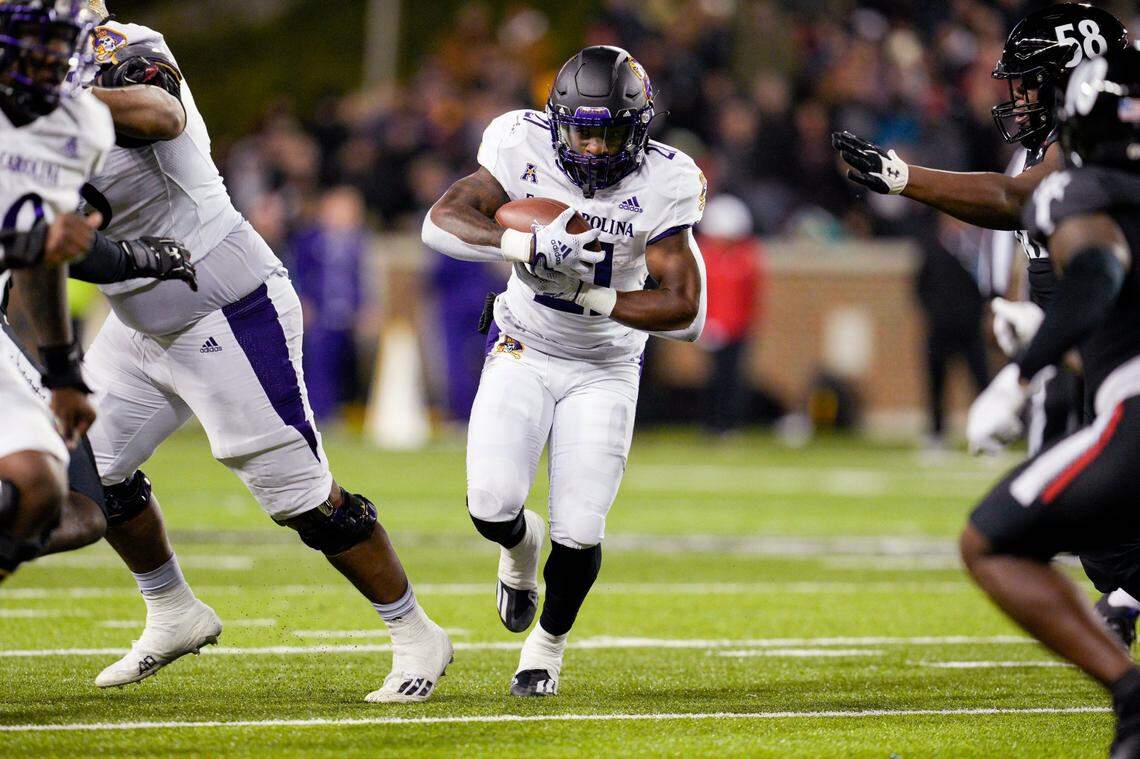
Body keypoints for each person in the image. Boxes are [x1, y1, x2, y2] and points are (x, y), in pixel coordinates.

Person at [77, 2, 453, 703]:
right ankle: (174, 609)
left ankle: (415, 631)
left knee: (305, 500)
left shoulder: (118, 50)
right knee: (92, 472)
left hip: (226, 304)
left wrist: (62, 104)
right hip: (136, 321)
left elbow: (162, 113)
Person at [831, 3, 1140, 643]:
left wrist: (900, 175)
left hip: (1121, 376)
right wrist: (1036, 329)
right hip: (1096, 367)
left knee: (1039, 536)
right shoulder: (1054, 159)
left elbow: (1017, 205)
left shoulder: (1093, 167)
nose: (1018, 96)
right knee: (1096, 544)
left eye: (1030, 80)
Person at [423, 45, 707, 696]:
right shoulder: (519, 144)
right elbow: (440, 221)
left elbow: (687, 310)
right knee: (492, 504)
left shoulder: (667, 181)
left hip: (606, 364)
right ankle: (520, 554)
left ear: (637, 130)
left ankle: (546, 645)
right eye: (582, 130)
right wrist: (520, 242)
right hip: (525, 343)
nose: (596, 148)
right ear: (556, 122)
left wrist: (595, 297)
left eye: (609, 133)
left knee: (580, 529)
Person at [961, 45, 1140, 758]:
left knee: (991, 538)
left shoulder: (1082, 190)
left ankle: (1131, 698)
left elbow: (1096, 275)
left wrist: (1021, 371)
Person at [0, 0, 109, 583]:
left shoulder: (80, 123)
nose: (48, 58)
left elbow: (41, 262)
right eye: (32, 41)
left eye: (59, 41)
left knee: (41, 491)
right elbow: (31, 242)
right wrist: (29, 240)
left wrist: (64, 375)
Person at [696, 193, 762, 435]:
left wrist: (736, 326)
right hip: (711, 328)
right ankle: (710, 425)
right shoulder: (705, 255)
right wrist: (707, 324)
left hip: (736, 331)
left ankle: (729, 425)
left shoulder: (746, 257)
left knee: (732, 380)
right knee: (711, 379)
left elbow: (749, 299)